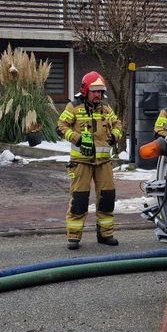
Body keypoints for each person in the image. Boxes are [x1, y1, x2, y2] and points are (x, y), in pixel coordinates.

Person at [57, 71, 123, 249]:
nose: (98, 94)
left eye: (100, 91)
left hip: (104, 163)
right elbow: (61, 126)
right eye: (94, 91)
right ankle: (74, 237)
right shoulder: (73, 107)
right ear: (86, 91)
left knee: (107, 198)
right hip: (81, 163)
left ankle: (105, 234)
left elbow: (117, 124)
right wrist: (76, 138)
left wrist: (115, 135)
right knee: (79, 199)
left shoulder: (106, 108)